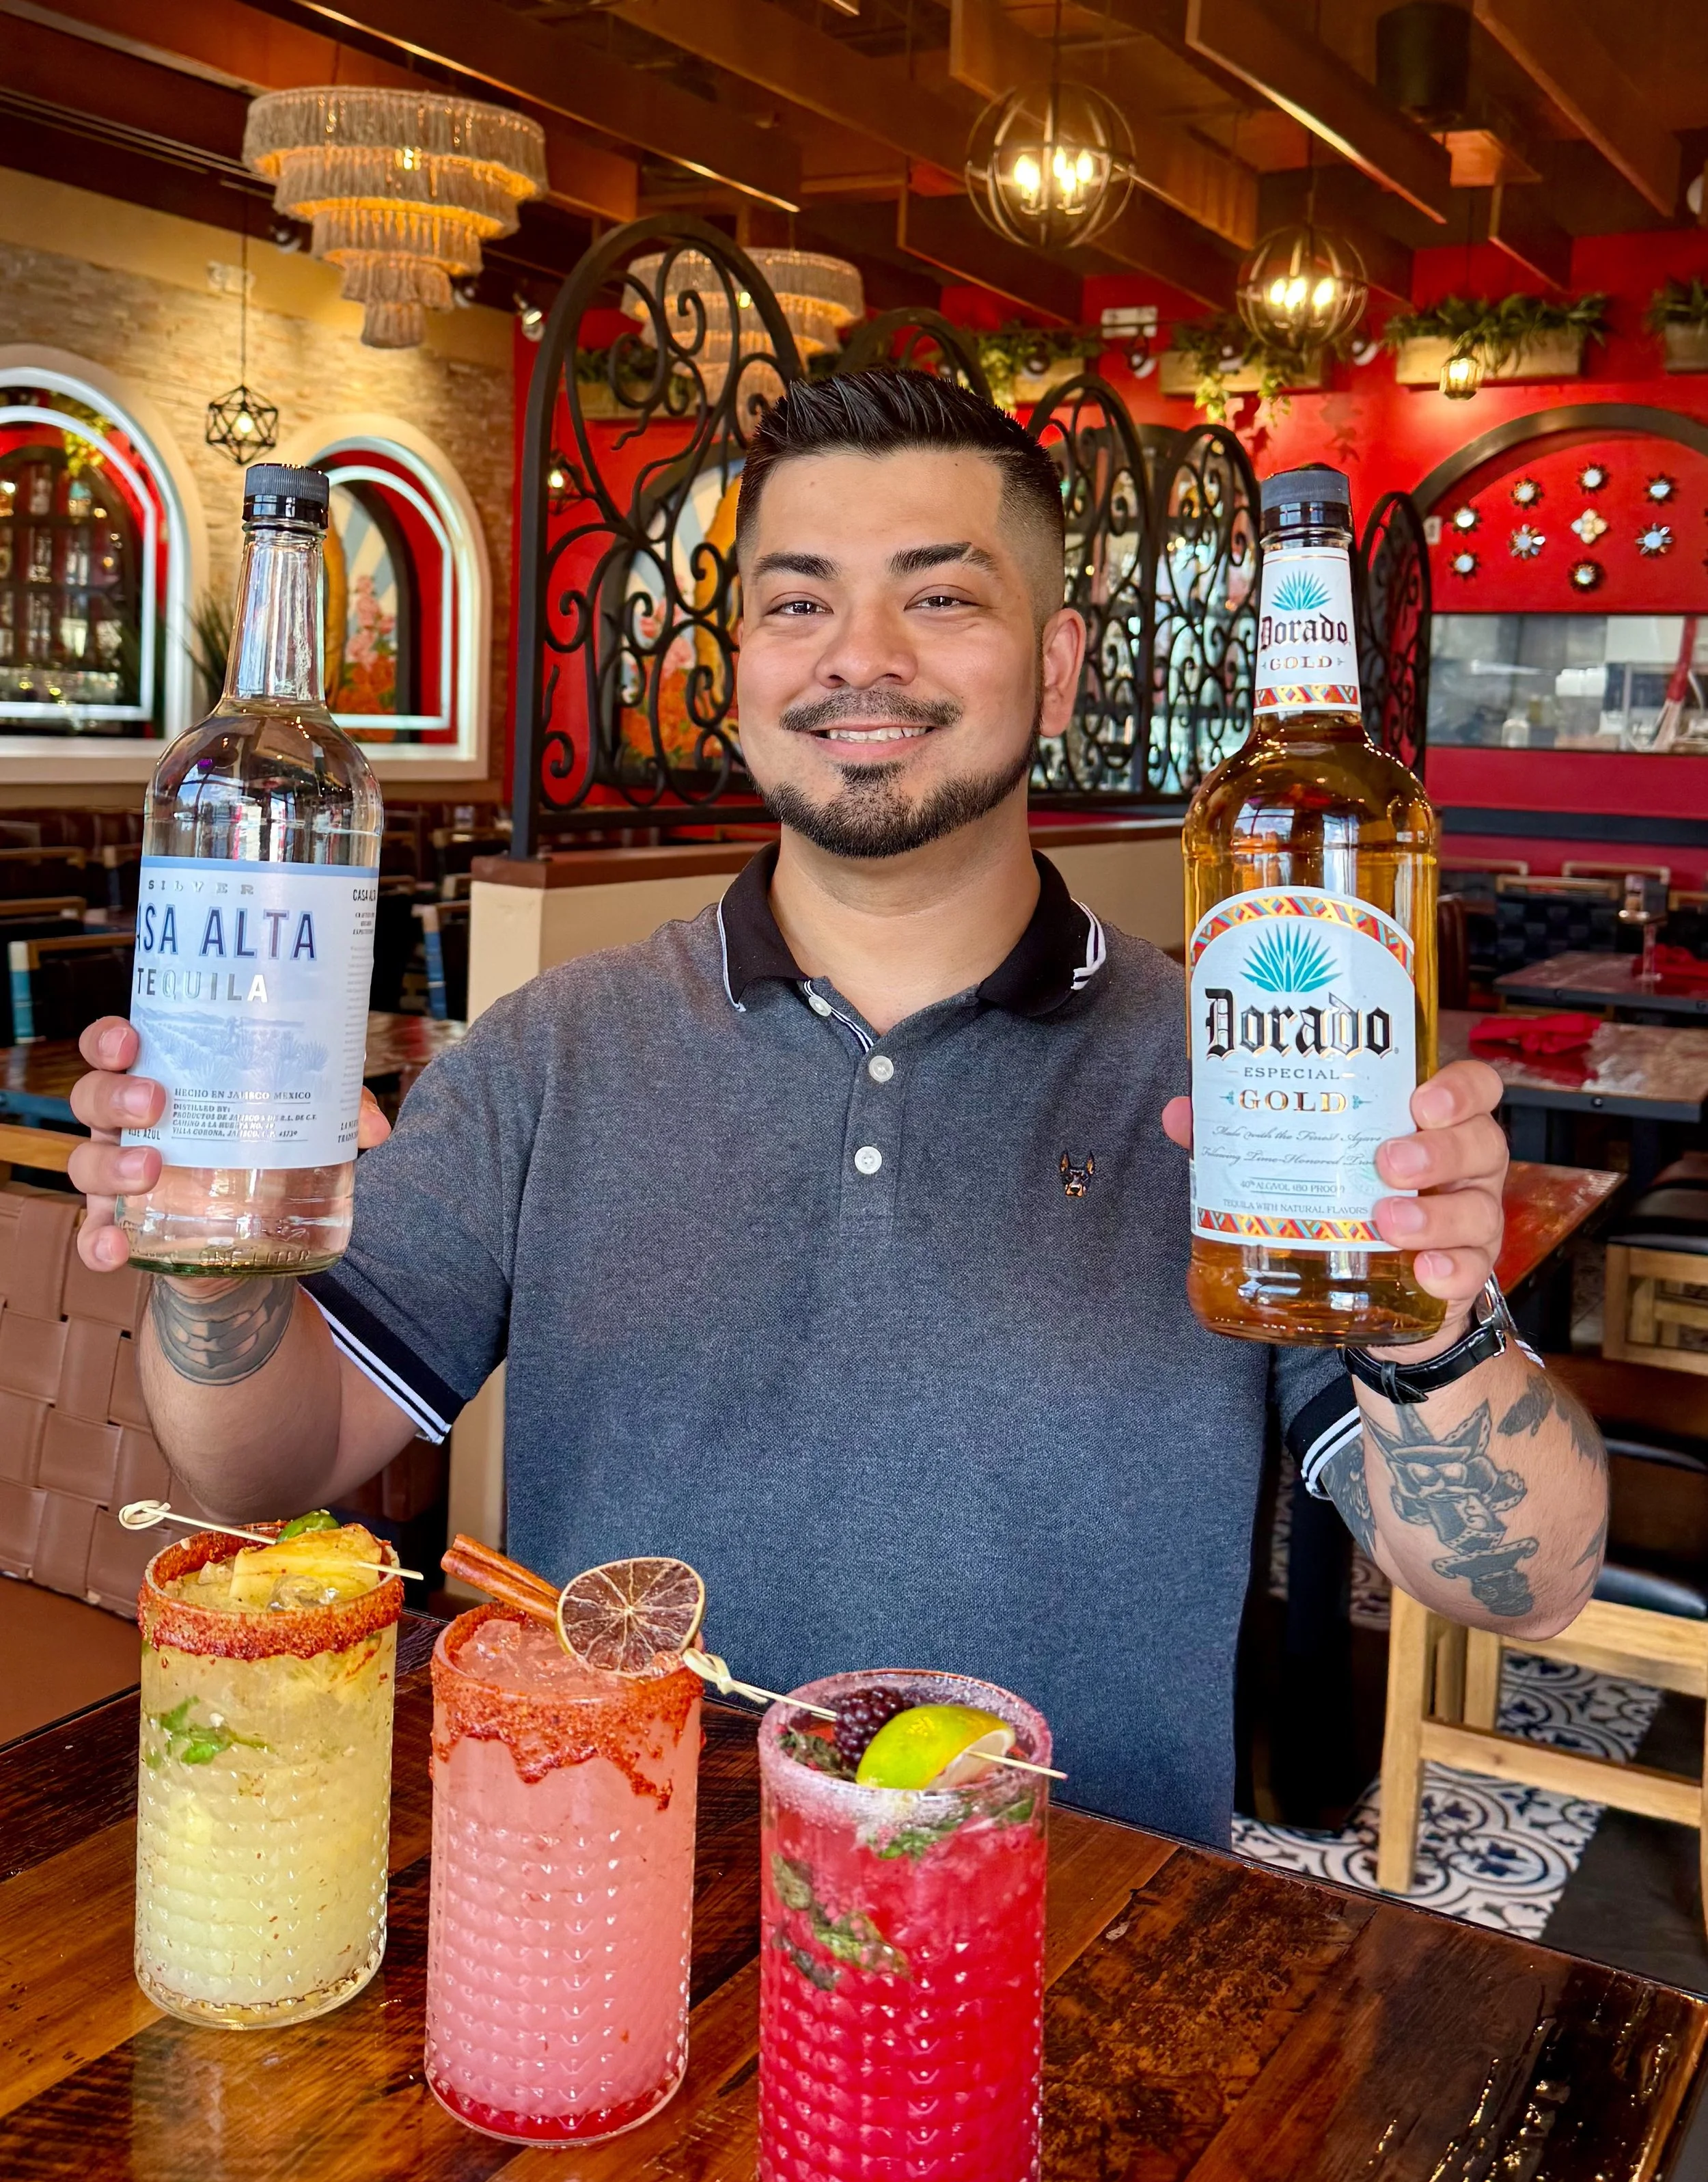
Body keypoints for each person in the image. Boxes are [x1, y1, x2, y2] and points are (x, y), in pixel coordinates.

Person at [68, 372, 1607, 1838]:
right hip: (602, 1904)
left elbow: (1527, 1580)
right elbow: (258, 1467)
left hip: (1068, 1949)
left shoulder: (1238, 1073)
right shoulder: (559, 1048)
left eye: (938, 598)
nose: (855, 656)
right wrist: (206, 1269)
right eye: (795, 603)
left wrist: (1429, 1319)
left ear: (1058, 664)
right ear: (738, 669)